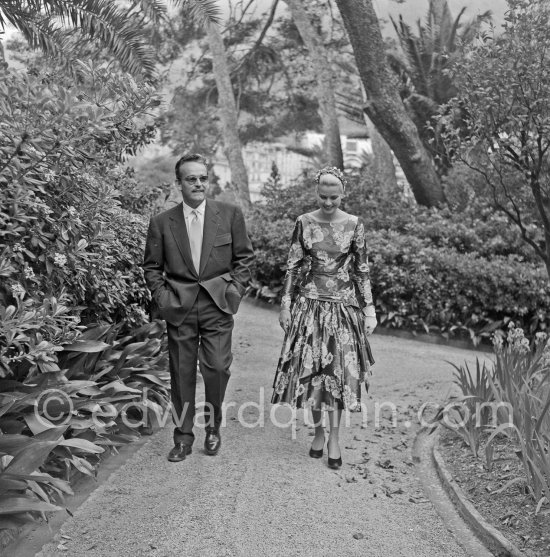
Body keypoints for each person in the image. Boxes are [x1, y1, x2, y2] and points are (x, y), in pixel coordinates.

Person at [143, 153, 255, 462]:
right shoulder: (162, 223)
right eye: (191, 179)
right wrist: (165, 299)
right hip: (179, 306)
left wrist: (234, 291)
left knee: (217, 368)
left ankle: (213, 427)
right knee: (181, 374)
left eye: (203, 178)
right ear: (178, 183)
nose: (198, 183)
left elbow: (245, 259)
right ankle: (182, 438)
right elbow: (151, 268)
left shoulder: (229, 215)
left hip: (217, 305)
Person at [272, 166, 377, 470]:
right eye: (323, 196)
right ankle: (318, 432)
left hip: (343, 309)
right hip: (309, 307)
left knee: (338, 376)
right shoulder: (304, 222)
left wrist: (369, 309)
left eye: (334, 197)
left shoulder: (355, 225)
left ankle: (334, 438)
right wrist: (285, 304)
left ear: (343, 194)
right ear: (316, 191)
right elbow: (292, 266)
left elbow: (361, 269)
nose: (328, 202)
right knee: (314, 376)